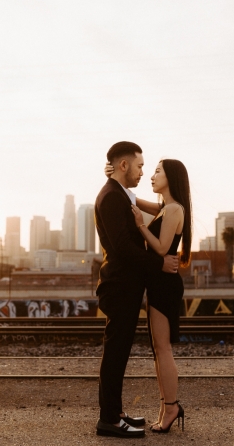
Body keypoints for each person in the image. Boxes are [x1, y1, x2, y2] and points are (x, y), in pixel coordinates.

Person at [94, 141, 180, 438]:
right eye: (140, 166)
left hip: (125, 286)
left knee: (118, 352)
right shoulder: (111, 198)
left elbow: (148, 209)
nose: (143, 171)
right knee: (115, 353)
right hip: (119, 287)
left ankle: (115, 413)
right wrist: (159, 265)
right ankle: (109, 420)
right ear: (124, 165)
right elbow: (123, 248)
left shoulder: (119, 195)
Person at [130, 158, 191, 433]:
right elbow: (140, 203)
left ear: (172, 177)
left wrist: (140, 226)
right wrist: (120, 186)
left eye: (157, 172)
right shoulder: (166, 208)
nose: (151, 176)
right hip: (159, 283)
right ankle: (166, 406)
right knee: (158, 350)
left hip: (165, 285)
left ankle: (172, 407)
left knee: (163, 350)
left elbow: (162, 247)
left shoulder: (175, 209)